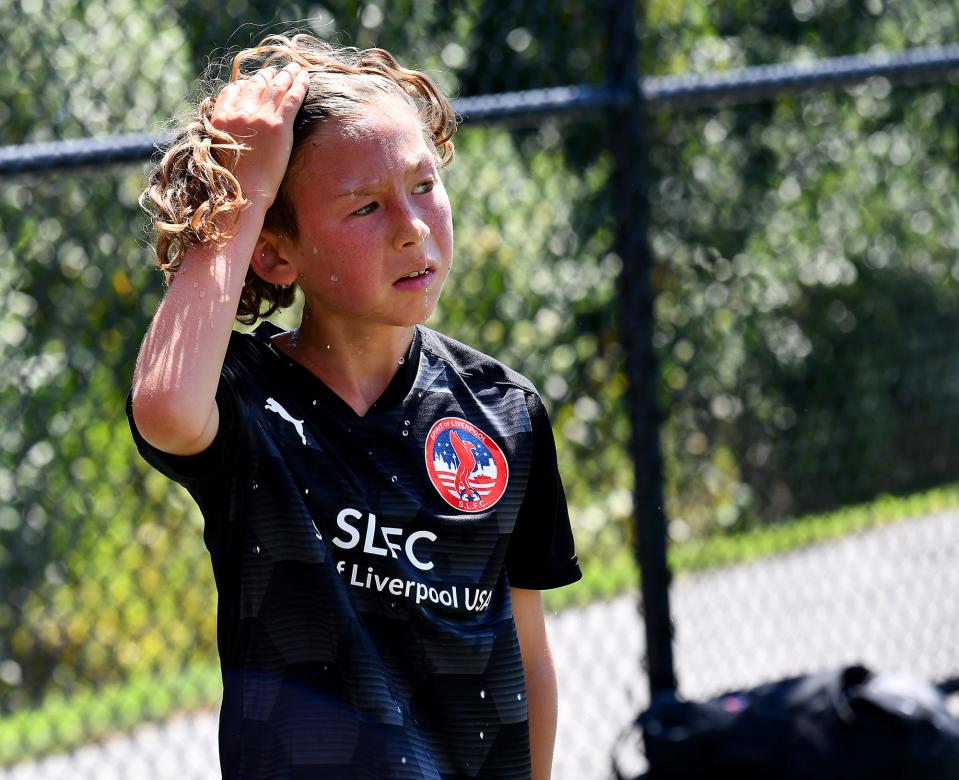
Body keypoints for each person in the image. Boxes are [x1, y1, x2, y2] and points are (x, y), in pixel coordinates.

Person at [128, 32, 581, 780]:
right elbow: (168, 410)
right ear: (275, 253)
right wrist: (241, 188)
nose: (411, 227)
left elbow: (528, 653)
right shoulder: (247, 406)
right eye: (365, 207)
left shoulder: (503, 411)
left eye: (424, 185)